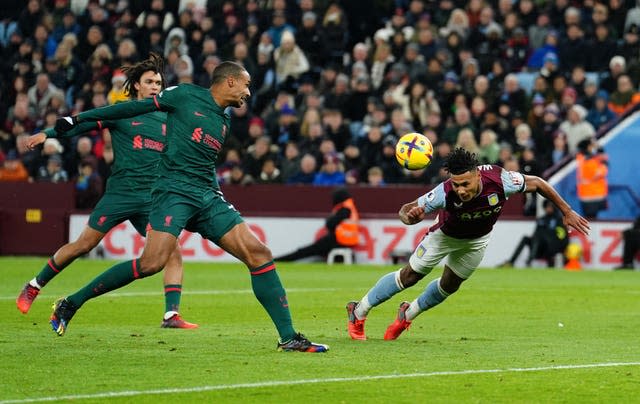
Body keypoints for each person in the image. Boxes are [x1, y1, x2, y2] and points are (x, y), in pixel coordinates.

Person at [51, 61, 328, 352]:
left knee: (259, 253)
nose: (248, 92)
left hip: (206, 196)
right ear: (230, 82)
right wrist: (78, 119)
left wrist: (216, 197)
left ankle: (288, 337)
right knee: (152, 263)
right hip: (172, 191)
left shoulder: (224, 120)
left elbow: (206, 164)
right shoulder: (184, 95)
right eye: (246, 85)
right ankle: (71, 303)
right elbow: (133, 108)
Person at [17, 54, 198, 329]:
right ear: (136, 85)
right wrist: (49, 134)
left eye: (158, 83)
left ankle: (171, 314)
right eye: (149, 82)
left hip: (152, 199)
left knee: (172, 251)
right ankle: (34, 285)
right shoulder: (122, 112)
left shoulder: (167, 118)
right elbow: (85, 124)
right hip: (121, 195)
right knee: (84, 245)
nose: (154, 87)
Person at [346, 148, 590, 341]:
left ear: (477, 175)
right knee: (410, 276)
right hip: (444, 237)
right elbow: (406, 210)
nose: (461, 190)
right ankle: (358, 311)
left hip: (476, 241)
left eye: (465, 184)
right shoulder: (443, 193)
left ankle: (406, 314)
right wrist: (410, 217)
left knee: (449, 286)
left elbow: (537, 182)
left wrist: (566, 211)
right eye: (456, 184)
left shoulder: (501, 180)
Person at [275, 187, 359, 262]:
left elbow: (330, 224)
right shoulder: (350, 208)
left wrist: (329, 219)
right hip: (346, 240)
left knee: (306, 251)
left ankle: (279, 260)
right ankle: (281, 259)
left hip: (339, 240)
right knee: (310, 250)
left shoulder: (344, 209)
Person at [500, 200, 569, 267]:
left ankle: (530, 261)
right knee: (526, 238)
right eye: (547, 206)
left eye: (550, 206)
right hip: (539, 248)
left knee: (539, 236)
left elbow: (563, 236)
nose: (548, 208)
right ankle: (511, 262)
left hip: (551, 247)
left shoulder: (558, 220)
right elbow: (535, 233)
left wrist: (561, 248)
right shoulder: (541, 219)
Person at [576, 138, 608, 219]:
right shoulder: (588, 160)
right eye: (592, 145)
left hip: (589, 195)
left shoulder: (583, 157)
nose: (594, 147)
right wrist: (604, 163)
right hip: (591, 195)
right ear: (588, 147)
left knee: (591, 219)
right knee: (591, 221)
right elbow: (599, 173)